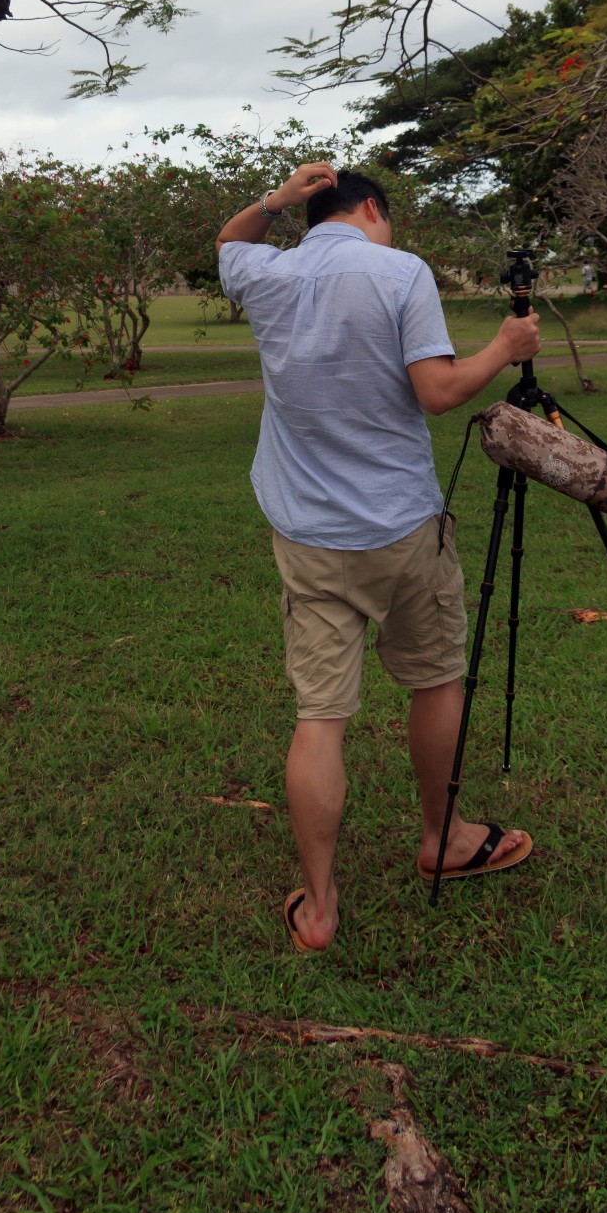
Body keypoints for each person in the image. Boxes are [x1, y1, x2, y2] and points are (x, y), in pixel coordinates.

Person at [217, 161, 542, 953]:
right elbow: (437, 391)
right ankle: (446, 837)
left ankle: (321, 909)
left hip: (307, 531)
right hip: (401, 524)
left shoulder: (265, 269)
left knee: (320, 718)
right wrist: (504, 345)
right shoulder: (399, 271)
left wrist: (272, 201)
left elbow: (228, 241)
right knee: (433, 678)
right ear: (370, 209)